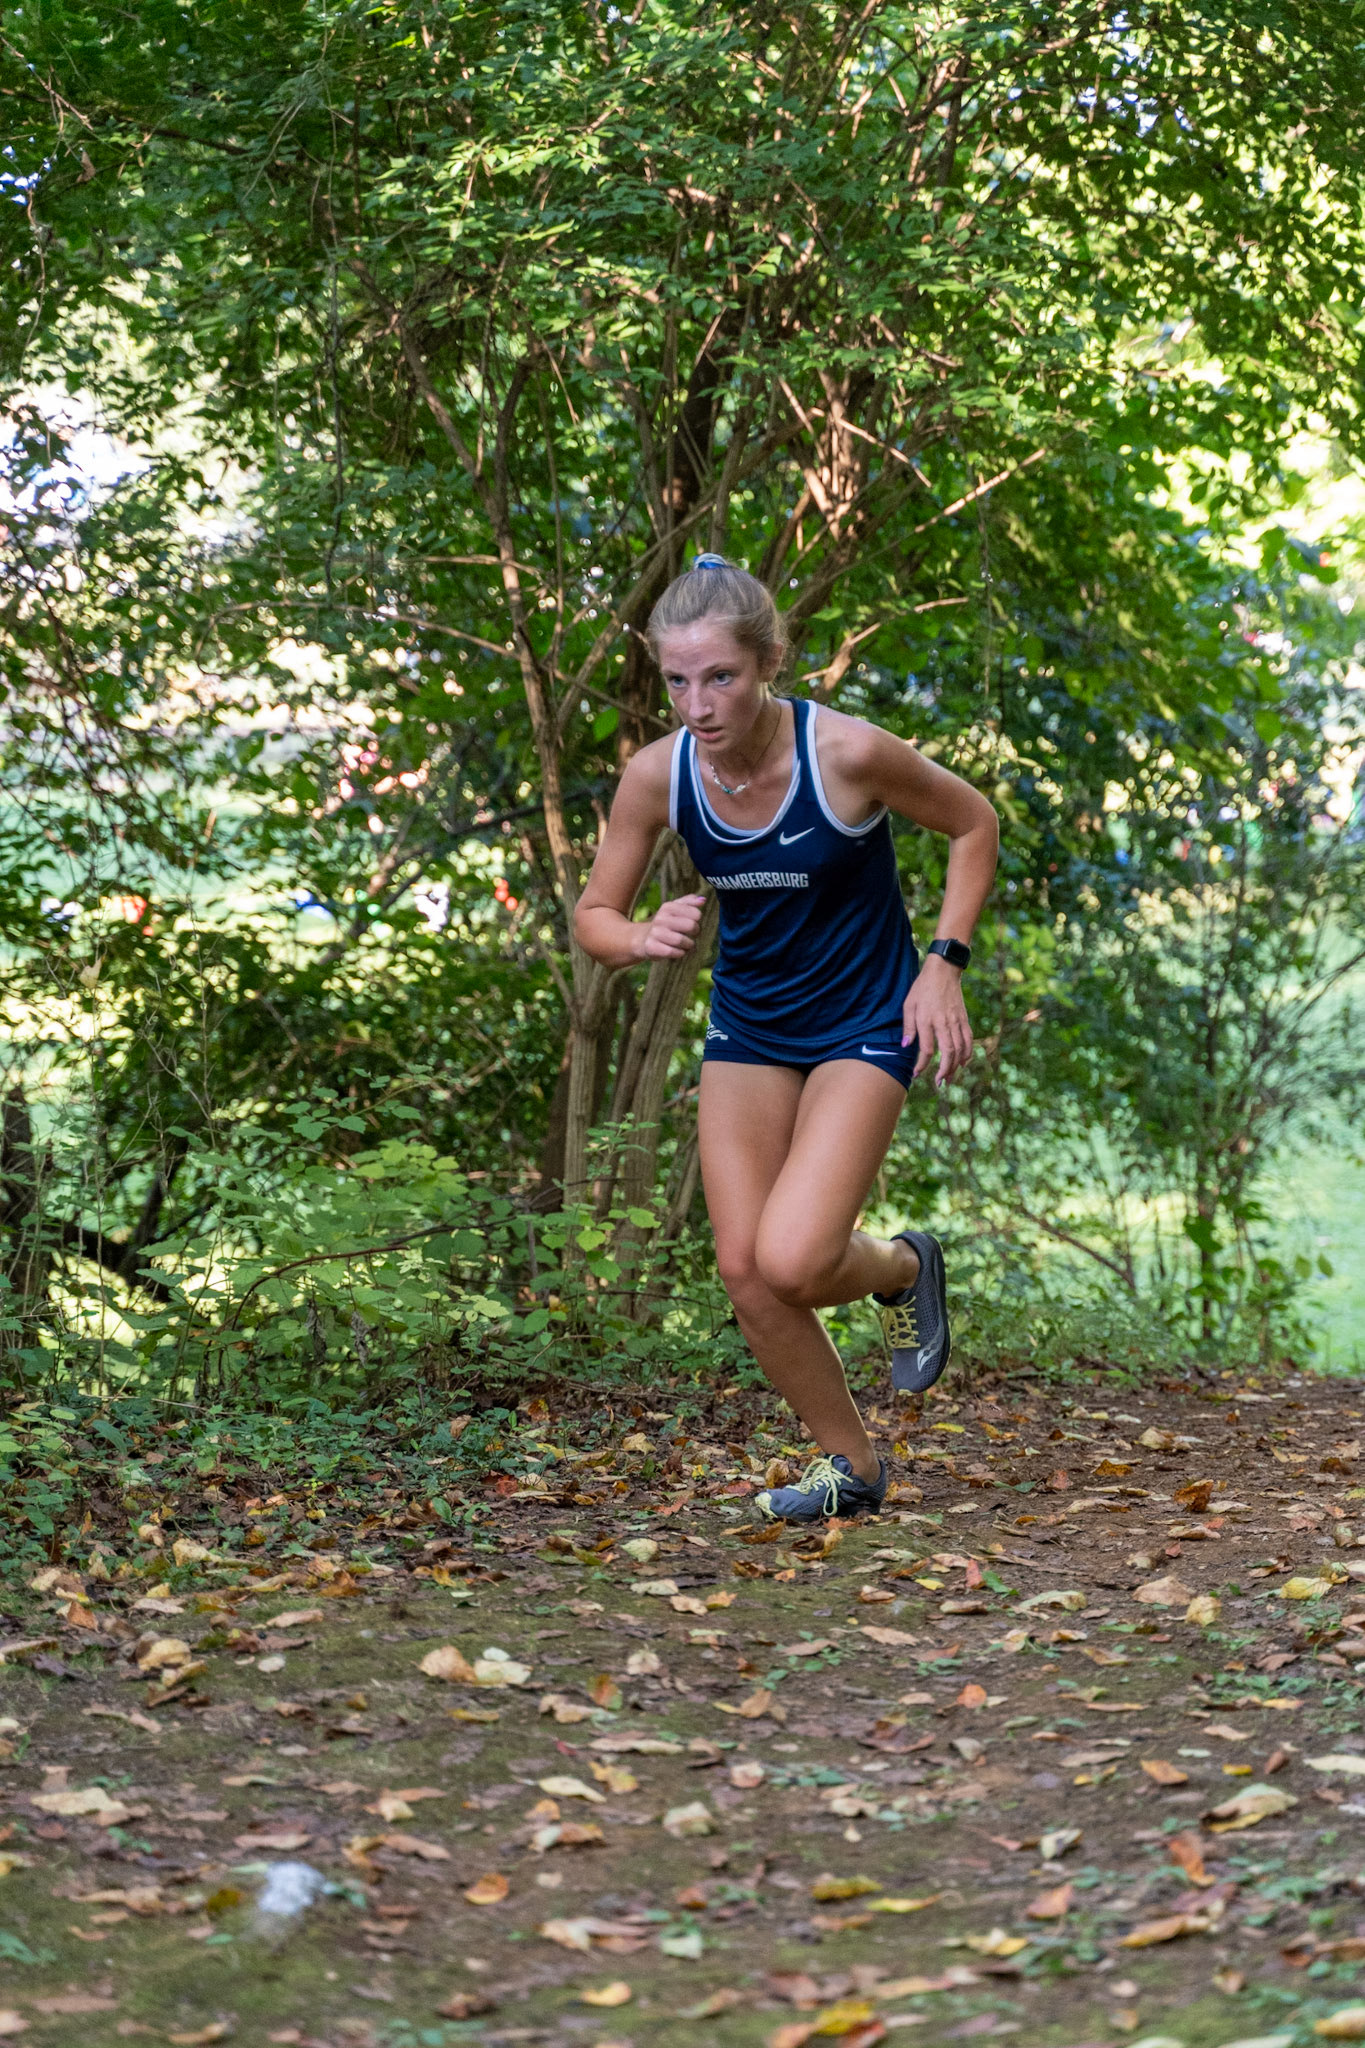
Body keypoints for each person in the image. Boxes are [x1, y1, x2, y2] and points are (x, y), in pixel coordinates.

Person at [574, 556, 998, 1522]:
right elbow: (594, 914)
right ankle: (851, 1468)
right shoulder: (660, 775)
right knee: (745, 1270)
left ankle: (902, 1265)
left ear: (768, 662)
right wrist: (637, 938)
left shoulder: (845, 753)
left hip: (864, 1018)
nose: (697, 705)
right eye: (677, 681)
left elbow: (973, 824)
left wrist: (942, 964)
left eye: (719, 677)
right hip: (751, 1028)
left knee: (797, 1261)